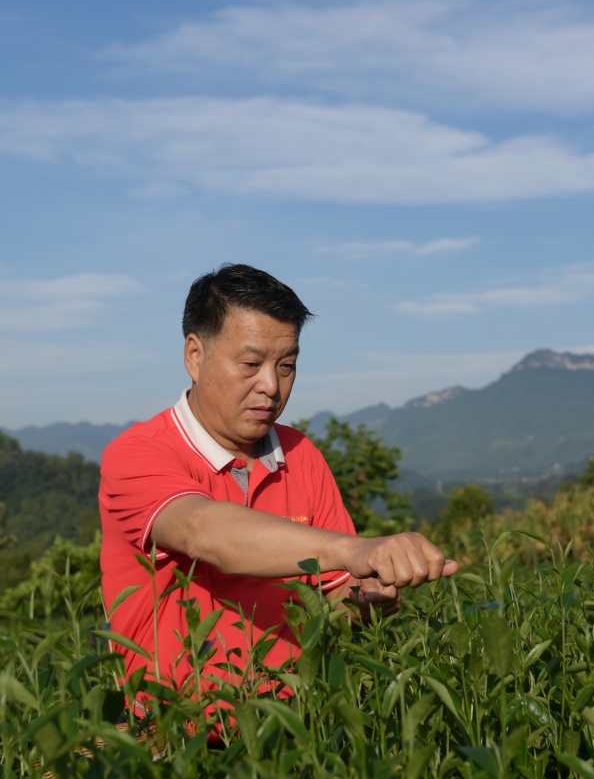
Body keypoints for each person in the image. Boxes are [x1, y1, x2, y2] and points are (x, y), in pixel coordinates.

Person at [99, 263, 458, 726]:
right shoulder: (138, 454)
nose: (271, 386)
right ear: (194, 355)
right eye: (250, 364)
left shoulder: (301, 454)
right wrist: (356, 549)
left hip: (291, 732)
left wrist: (369, 597)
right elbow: (204, 532)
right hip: (174, 737)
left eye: (286, 366)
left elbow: (333, 597)